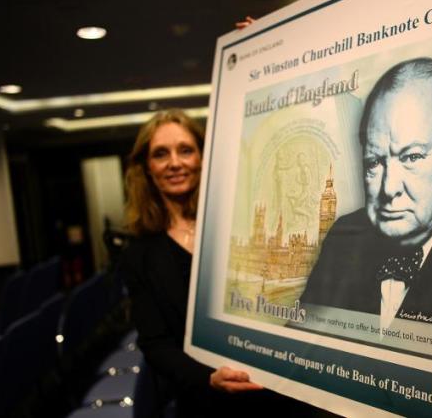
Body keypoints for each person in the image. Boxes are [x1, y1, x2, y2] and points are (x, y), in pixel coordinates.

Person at [120, 109, 335, 417]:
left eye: (185, 150)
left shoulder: (234, 222)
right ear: (147, 168)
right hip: (206, 401)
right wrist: (207, 378)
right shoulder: (138, 254)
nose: (175, 163)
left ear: (203, 158)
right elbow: (156, 345)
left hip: (276, 392)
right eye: (161, 154)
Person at [299, 57, 432, 332]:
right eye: (374, 162)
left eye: (411, 157)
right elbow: (299, 349)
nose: (388, 189)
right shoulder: (343, 237)